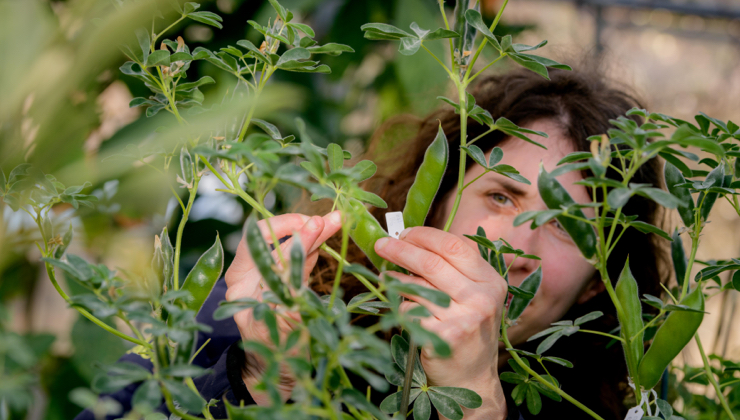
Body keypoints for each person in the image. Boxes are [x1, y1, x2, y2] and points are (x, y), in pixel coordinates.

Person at [75, 64, 668, 420]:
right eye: (501, 197)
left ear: (599, 282)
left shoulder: (624, 400)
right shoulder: (287, 298)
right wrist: (267, 381)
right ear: (434, 200)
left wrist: (478, 403)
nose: (516, 246)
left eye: (568, 224)